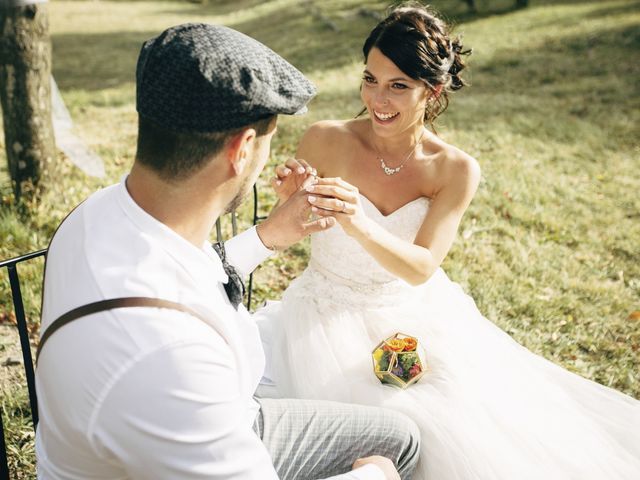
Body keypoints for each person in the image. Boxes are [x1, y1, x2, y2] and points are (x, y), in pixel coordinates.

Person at [256, 3, 640, 479]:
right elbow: (289, 230)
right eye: (370, 79)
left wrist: (359, 223)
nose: (379, 98)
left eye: (399, 85)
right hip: (317, 314)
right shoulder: (324, 139)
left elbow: (421, 267)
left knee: (453, 427)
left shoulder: (455, 169)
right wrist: (295, 202)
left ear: (432, 90)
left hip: (411, 314)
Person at [34, 23, 421, 480]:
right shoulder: (166, 358)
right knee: (394, 455)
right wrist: (375, 476)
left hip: (220, 415)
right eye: (270, 137)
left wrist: (266, 236)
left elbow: (184, 275)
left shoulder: (102, 213)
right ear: (241, 149)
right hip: (203, 428)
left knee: (400, 435)